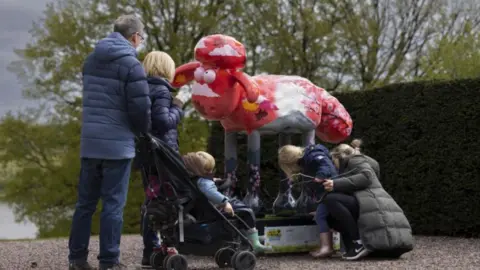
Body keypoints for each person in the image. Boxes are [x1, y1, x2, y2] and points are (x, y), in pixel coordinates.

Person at [68, 15, 151, 270]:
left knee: (85, 204)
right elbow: (140, 108)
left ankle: (77, 259)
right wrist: (143, 132)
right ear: (135, 36)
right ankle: (109, 261)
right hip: (117, 145)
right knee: (113, 205)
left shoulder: (91, 60)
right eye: (141, 37)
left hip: (91, 143)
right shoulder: (131, 64)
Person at [320, 139, 414, 261]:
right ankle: (354, 246)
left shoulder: (355, 160)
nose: (335, 166)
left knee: (332, 200)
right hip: (386, 236)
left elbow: (366, 177)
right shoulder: (363, 162)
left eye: (334, 161)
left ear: (339, 157)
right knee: (331, 214)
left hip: (371, 204)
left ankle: (358, 243)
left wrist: (336, 184)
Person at [140, 51, 184, 268]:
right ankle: (169, 244)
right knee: (169, 200)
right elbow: (164, 122)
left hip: (147, 154)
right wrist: (178, 105)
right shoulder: (163, 91)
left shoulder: (141, 89)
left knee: (151, 199)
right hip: (164, 154)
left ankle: (150, 248)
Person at [182, 151, 271, 254]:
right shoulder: (205, 183)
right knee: (247, 211)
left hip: (208, 208)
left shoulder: (195, 180)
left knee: (240, 212)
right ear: (203, 171)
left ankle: (249, 235)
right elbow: (211, 193)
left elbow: (205, 187)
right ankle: (254, 242)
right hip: (216, 209)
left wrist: (214, 181)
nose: (211, 172)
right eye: (209, 170)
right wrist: (225, 202)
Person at [278, 144, 338, 258]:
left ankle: (327, 247)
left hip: (330, 191)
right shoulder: (308, 159)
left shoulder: (313, 155)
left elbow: (326, 165)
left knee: (321, 216)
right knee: (321, 216)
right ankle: (328, 246)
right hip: (326, 193)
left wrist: (320, 176)